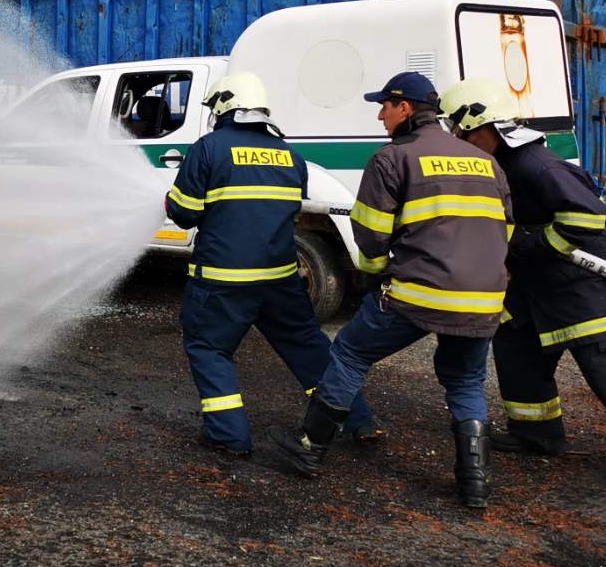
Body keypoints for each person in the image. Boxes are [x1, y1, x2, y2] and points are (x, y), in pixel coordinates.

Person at [274, 71, 511, 508]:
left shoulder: (392, 158)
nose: (381, 115)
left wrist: (381, 274)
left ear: (405, 108)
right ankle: (474, 482)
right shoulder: (485, 162)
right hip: (484, 298)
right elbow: (505, 230)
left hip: (419, 292)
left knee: (350, 352)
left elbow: (370, 234)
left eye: (385, 105)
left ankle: (310, 448)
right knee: (466, 380)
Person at [440, 77, 606, 487]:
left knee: (604, 363)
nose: (458, 139)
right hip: (540, 284)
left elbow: (585, 219)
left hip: (580, 284)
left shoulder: (537, 164)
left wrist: (534, 242)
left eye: (461, 131)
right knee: (516, 345)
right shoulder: (503, 163)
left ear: (483, 127)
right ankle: (536, 432)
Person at [163, 71, 378, 458]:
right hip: (281, 279)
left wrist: (169, 201)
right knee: (308, 347)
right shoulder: (289, 156)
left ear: (226, 105)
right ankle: (358, 419)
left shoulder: (209, 148)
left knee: (210, 349)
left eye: (215, 108)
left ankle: (229, 436)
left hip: (222, 282)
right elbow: (287, 212)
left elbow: (184, 213)